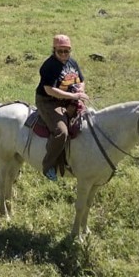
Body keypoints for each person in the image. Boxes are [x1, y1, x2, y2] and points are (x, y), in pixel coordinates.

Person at [34, 33, 89, 182]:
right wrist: (73, 97)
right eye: (60, 51)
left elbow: (81, 80)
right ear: (54, 50)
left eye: (67, 51)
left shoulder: (72, 63)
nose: (64, 54)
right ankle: (48, 166)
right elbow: (49, 89)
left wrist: (80, 90)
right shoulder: (49, 66)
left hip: (68, 100)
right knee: (61, 132)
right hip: (48, 102)